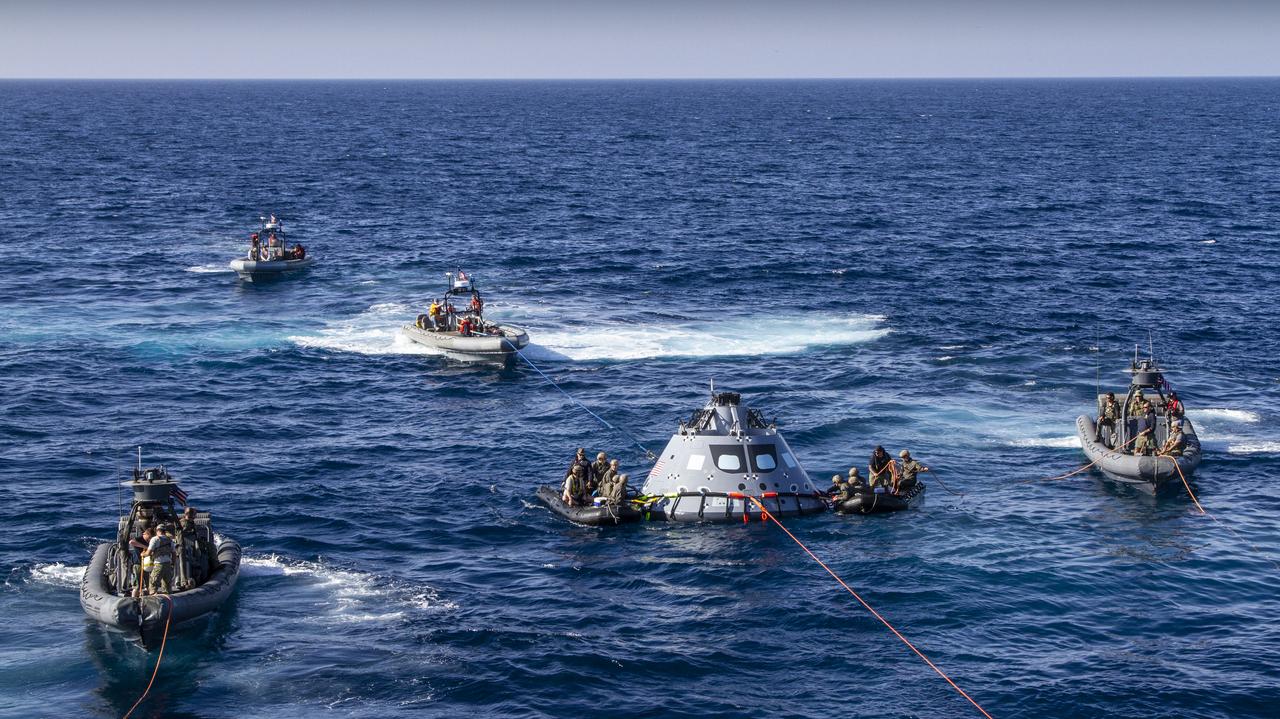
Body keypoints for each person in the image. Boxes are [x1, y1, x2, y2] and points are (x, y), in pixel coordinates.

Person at [143, 523, 176, 595]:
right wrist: (173, 564)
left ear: (157, 530)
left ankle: (153, 602)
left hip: (159, 564)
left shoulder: (155, 539)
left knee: (153, 584)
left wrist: (143, 554)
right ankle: (168, 602)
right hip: (168, 565)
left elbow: (148, 553)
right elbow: (174, 553)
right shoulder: (170, 540)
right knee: (167, 586)